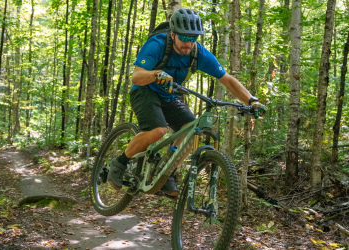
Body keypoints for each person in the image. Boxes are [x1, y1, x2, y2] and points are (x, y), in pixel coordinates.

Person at [107, 8, 266, 196]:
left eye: (193, 38)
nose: (188, 44)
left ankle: (167, 172)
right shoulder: (157, 44)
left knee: (191, 130)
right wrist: (156, 74)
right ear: (173, 34)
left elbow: (227, 79)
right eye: (184, 38)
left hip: (169, 96)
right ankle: (120, 163)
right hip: (145, 91)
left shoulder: (198, 54)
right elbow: (137, 77)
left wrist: (252, 100)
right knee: (158, 130)